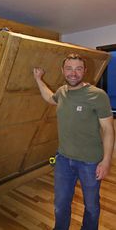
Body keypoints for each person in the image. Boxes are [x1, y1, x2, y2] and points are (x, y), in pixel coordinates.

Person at [33, 53, 115, 230]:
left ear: (85, 71)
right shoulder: (62, 92)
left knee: (92, 207)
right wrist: (38, 79)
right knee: (60, 205)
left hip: (90, 162)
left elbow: (109, 130)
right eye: (69, 68)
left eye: (78, 69)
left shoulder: (98, 95)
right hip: (62, 159)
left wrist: (107, 160)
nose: (73, 73)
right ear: (63, 70)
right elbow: (49, 97)